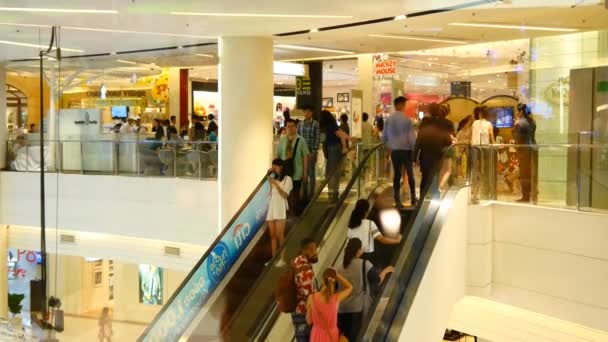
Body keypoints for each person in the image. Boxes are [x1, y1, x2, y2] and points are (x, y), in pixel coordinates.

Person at [337, 238, 394, 341]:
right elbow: (376, 281)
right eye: (361, 248)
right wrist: (385, 271)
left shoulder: (339, 268)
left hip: (342, 311)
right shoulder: (364, 264)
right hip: (358, 310)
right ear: (358, 250)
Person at [383, 96, 417, 208]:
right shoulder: (407, 120)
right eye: (404, 104)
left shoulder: (388, 120)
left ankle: (397, 200)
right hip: (406, 151)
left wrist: (388, 148)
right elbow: (412, 139)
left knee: (397, 175)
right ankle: (413, 198)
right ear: (401, 105)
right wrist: (414, 152)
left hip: (395, 151)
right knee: (410, 174)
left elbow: (384, 138)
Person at [307, 268, 352, 342]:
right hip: (331, 335)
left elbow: (309, 321)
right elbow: (350, 287)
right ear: (334, 281)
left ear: (323, 280)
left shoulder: (312, 297)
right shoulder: (336, 298)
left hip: (316, 334)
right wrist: (336, 275)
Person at [415, 114, 453, 196]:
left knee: (424, 178)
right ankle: (434, 199)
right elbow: (449, 141)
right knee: (434, 176)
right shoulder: (440, 131)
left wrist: (414, 159)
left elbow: (417, 145)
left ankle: (422, 197)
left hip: (424, 158)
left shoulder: (423, 131)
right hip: (437, 157)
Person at [277, 119, 309, 215]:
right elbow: (278, 155)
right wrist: (275, 168)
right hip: (285, 171)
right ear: (285, 127)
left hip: (297, 171)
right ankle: (286, 212)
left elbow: (305, 157)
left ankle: (295, 212)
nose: (290, 128)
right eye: (288, 126)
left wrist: (305, 172)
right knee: (285, 192)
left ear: (296, 127)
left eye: (292, 126)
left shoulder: (301, 140)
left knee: (295, 192)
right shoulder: (283, 139)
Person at [292, 238, 319, 342]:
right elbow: (310, 297)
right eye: (311, 250)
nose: (315, 252)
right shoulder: (306, 271)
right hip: (304, 312)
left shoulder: (296, 260)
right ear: (304, 251)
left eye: (315, 249)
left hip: (296, 308)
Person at [320, 110, 350, 201]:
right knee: (333, 172)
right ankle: (333, 194)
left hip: (332, 148)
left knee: (331, 173)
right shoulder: (332, 126)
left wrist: (344, 147)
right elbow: (342, 135)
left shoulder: (329, 127)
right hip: (334, 148)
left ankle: (332, 195)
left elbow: (341, 135)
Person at [266, 159, 292, 256]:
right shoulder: (274, 178)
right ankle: (273, 256)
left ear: (281, 167)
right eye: (273, 168)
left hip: (280, 207)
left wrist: (276, 184)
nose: (274, 169)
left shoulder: (287, 179)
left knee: (279, 234)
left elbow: (285, 195)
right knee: (272, 235)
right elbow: (271, 193)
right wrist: (270, 179)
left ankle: (281, 257)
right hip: (272, 206)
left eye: (275, 168)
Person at [471, 106, 495, 202]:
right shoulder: (489, 124)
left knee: (475, 170)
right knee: (487, 170)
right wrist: (495, 144)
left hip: (475, 147)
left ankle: (475, 194)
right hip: (485, 148)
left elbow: (472, 136)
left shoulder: (475, 123)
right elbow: (491, 137)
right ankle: (486, 192)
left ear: (480, 114)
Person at [513, 103, 537, 203]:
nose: (516, 113)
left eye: (517, 111)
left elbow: (517, 139)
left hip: (524, 150)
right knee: (532, 173)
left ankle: (526, 196)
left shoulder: (519, 123)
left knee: (524, 174)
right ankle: (534, 195)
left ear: (521, 112)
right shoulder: (533, 121)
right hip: (534, 148)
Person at [297, 104, 320, 199]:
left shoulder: (315, 124)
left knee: (311, 173)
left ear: (311, 113)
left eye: (308, 112)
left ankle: (311, 195)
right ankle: (304, 194)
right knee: (303, 173)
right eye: (304, 112)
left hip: (311, 153)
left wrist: (314, 151)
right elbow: (298, 138)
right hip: (302, 154)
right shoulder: (300, 124)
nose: (306, 113)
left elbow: (317, 138)